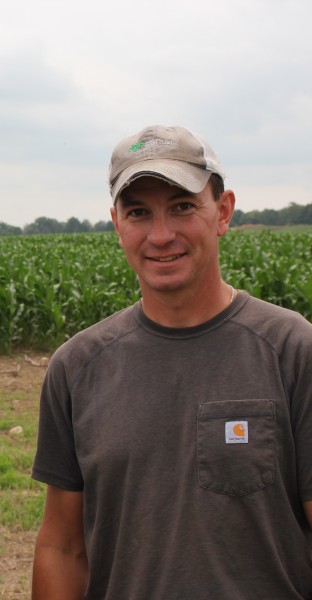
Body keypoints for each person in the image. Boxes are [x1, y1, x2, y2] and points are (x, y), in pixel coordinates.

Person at [31, 124, 312, 599]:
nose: (161, 235)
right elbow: (62, 547)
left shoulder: (292, 350)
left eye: (182, 207)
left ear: (222, 212)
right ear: (118, 225)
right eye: (139, 212)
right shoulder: (78, 367)